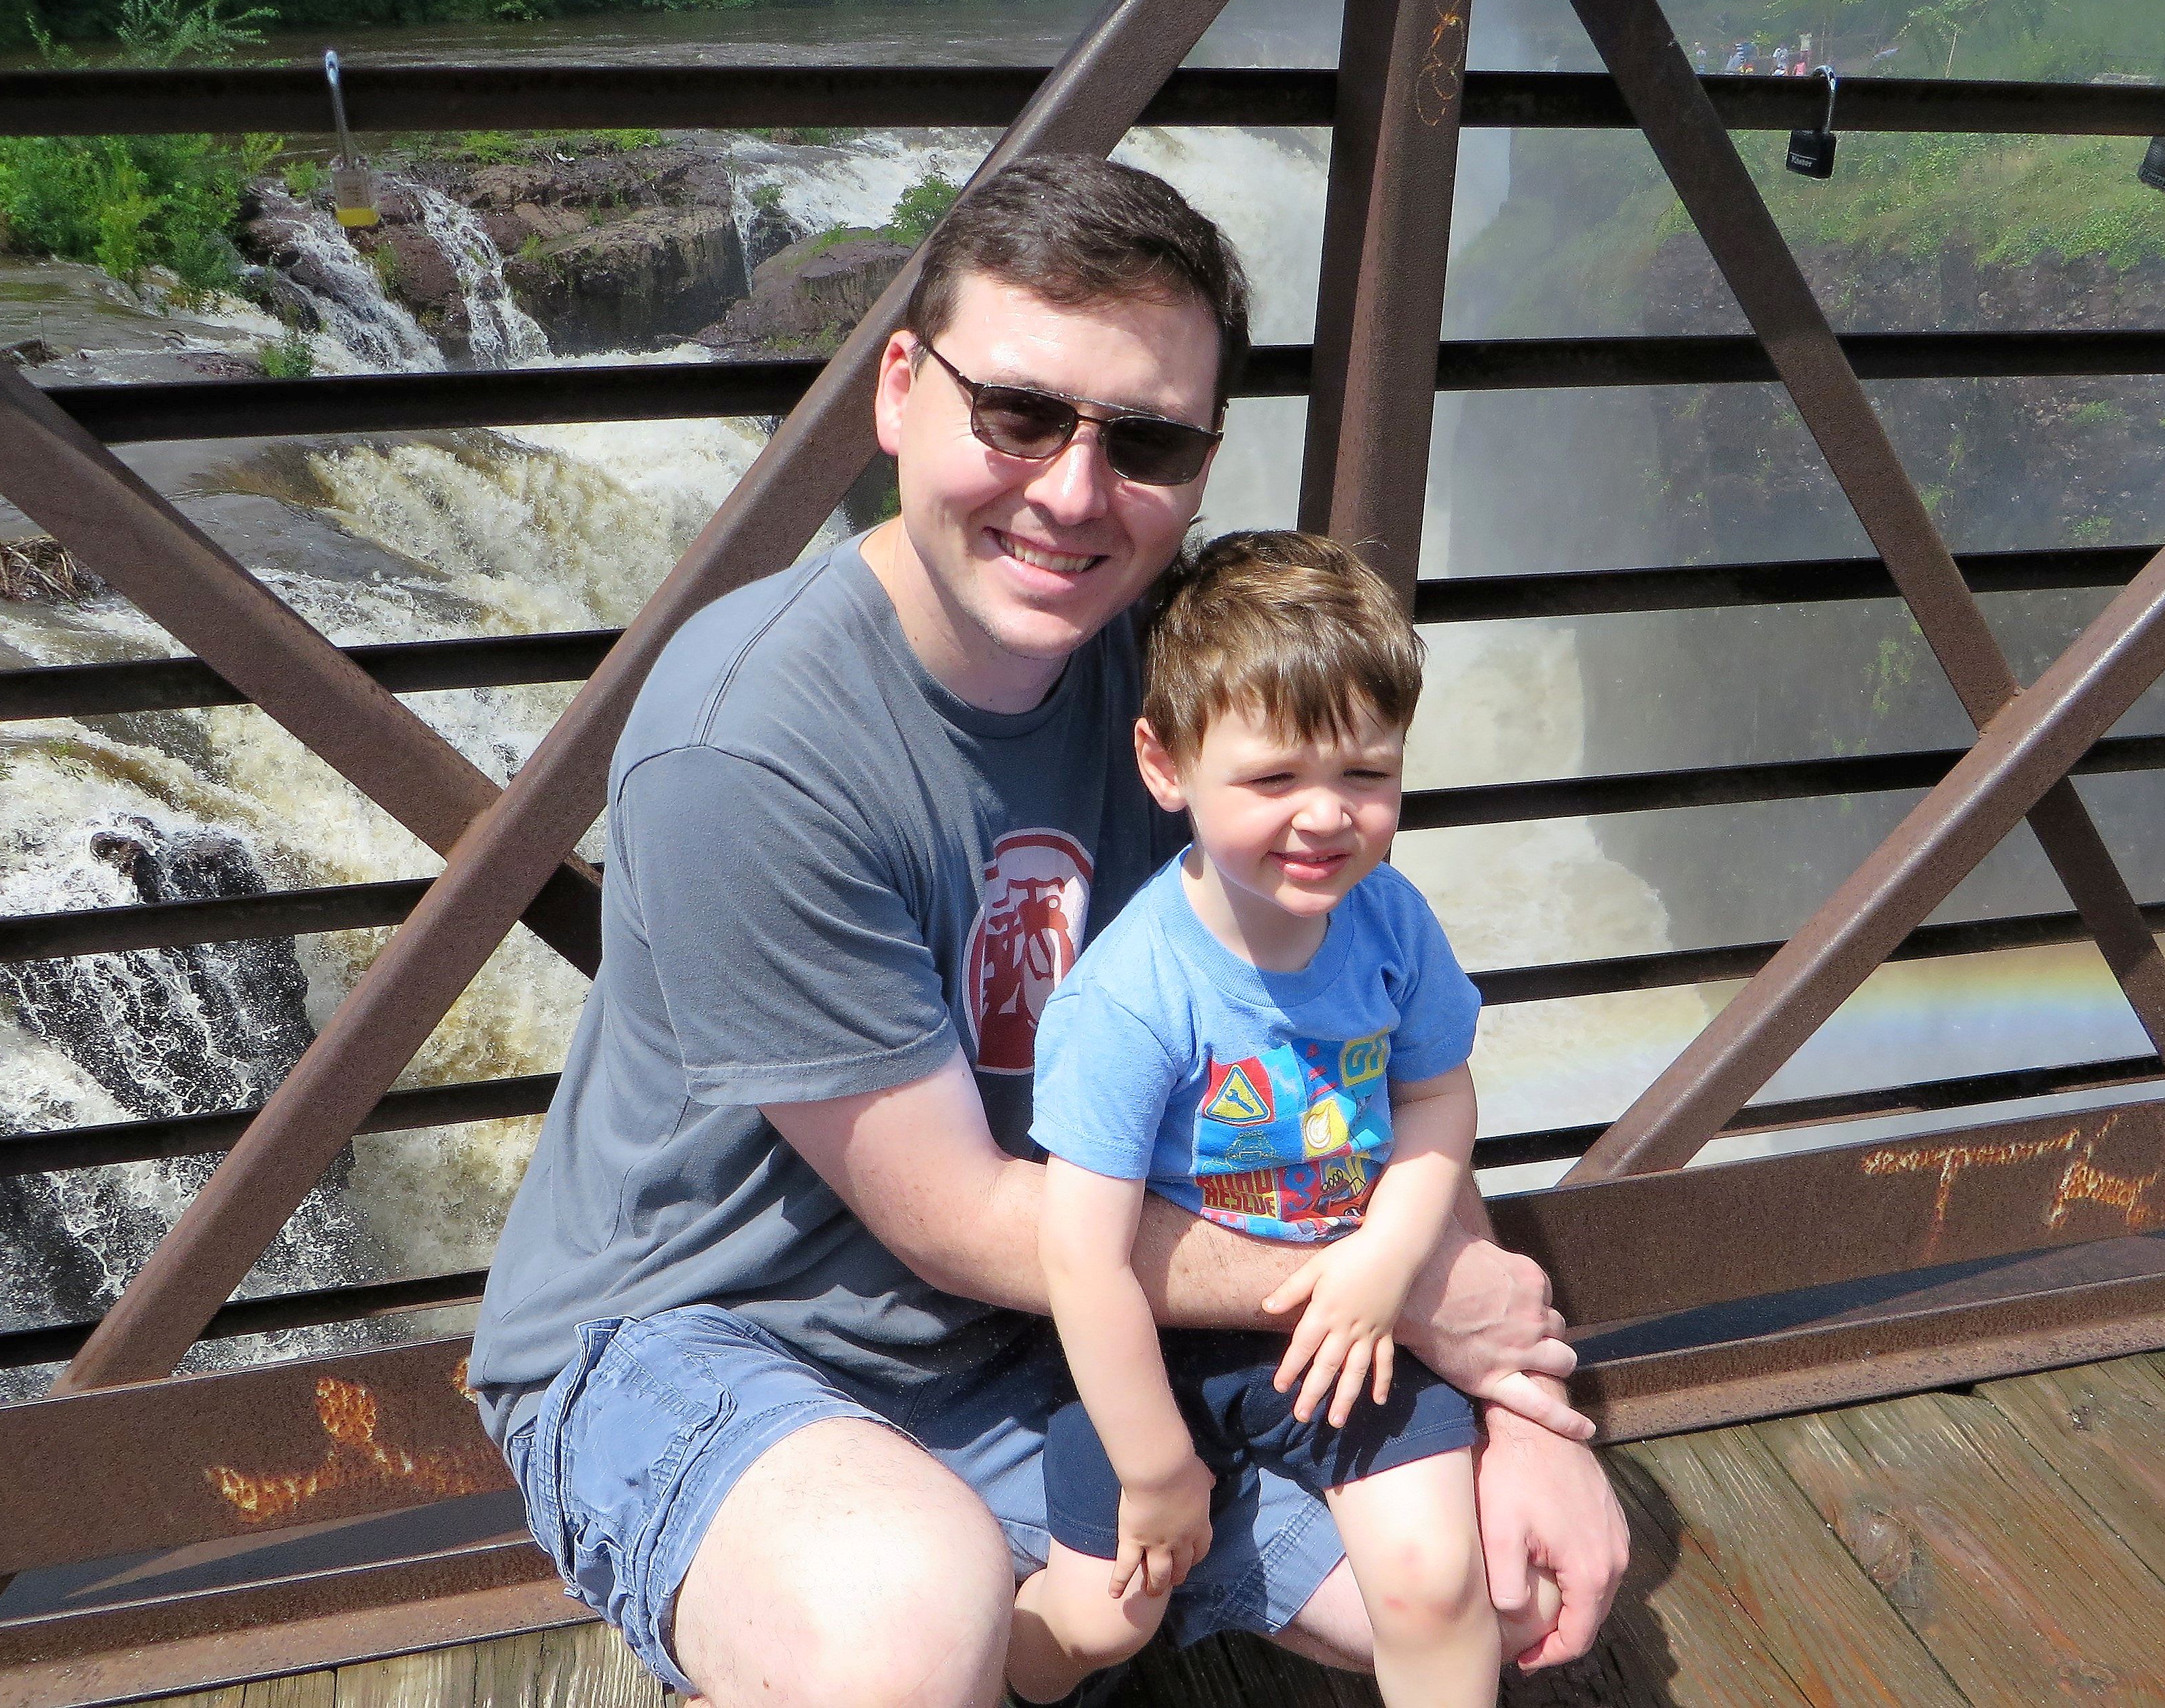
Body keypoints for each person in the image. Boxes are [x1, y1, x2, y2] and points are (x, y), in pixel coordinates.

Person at [467, 153, 1629, 1707]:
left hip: (1073, 1322)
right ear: (900, 392)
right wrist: (1405, 1292)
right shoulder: (751, 745)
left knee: (1483, 1586)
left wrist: (1525, 1413)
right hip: (711, 1333)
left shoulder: (1199, 686)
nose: (1074, 494)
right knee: (903, 1617)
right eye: (1017, 414)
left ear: (1202, 463)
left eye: (1143, 440)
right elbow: (951, 1213)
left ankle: (1044, 1618)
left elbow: (1364, 1035)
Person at [1007, 533, 1509, 1707]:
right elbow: (1080, 1260)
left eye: (1365, 773)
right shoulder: (1130, 999)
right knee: (1102, 1620)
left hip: (1346, 1329)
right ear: (1165, 764)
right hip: (1160, 1351)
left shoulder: (1391, 924)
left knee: (1437, 1583)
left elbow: (1436, 1096)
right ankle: (992, 1672)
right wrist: (1153, 1467)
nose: (1324, 817)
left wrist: (1386, 1259)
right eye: (1273, 779)